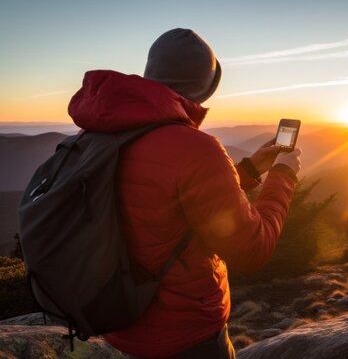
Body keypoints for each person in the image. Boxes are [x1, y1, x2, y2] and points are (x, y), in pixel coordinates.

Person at [67, 28, 301, 358]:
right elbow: (252, 249)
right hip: (187, 336)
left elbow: (158, 202)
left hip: (118, 323)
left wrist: (248, 170)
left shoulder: (97, 134)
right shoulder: (197, 149)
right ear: (203, 90)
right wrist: (283, 175)